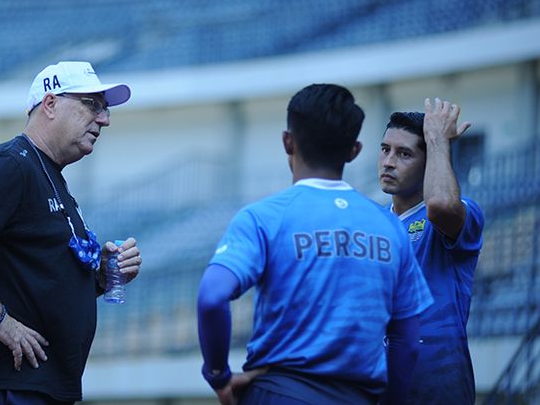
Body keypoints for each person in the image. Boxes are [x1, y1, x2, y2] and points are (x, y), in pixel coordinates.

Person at [197, 83, 433, 405]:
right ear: (354, 150)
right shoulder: (390, 227)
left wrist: (218, 376)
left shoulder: (263, 217)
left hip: (279, 392)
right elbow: (407, 339)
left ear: (287, 142)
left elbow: (212, 296)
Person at [0, 61, 142, 405]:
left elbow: (41, 279)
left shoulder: (48, 173)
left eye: (104, 108)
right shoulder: (15, 162)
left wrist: (101, 277)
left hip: (36, 384)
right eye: (92, 105)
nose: (104, 119)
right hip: (9, 384)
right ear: (50, 104)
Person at [379, 98, 484, 404]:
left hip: (439, 390)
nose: (388, 161)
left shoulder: (462, 212)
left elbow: (440, 204)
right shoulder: (373, 224)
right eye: (385, 149)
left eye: (404, 154)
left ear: (429, 162)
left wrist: (438, 139)